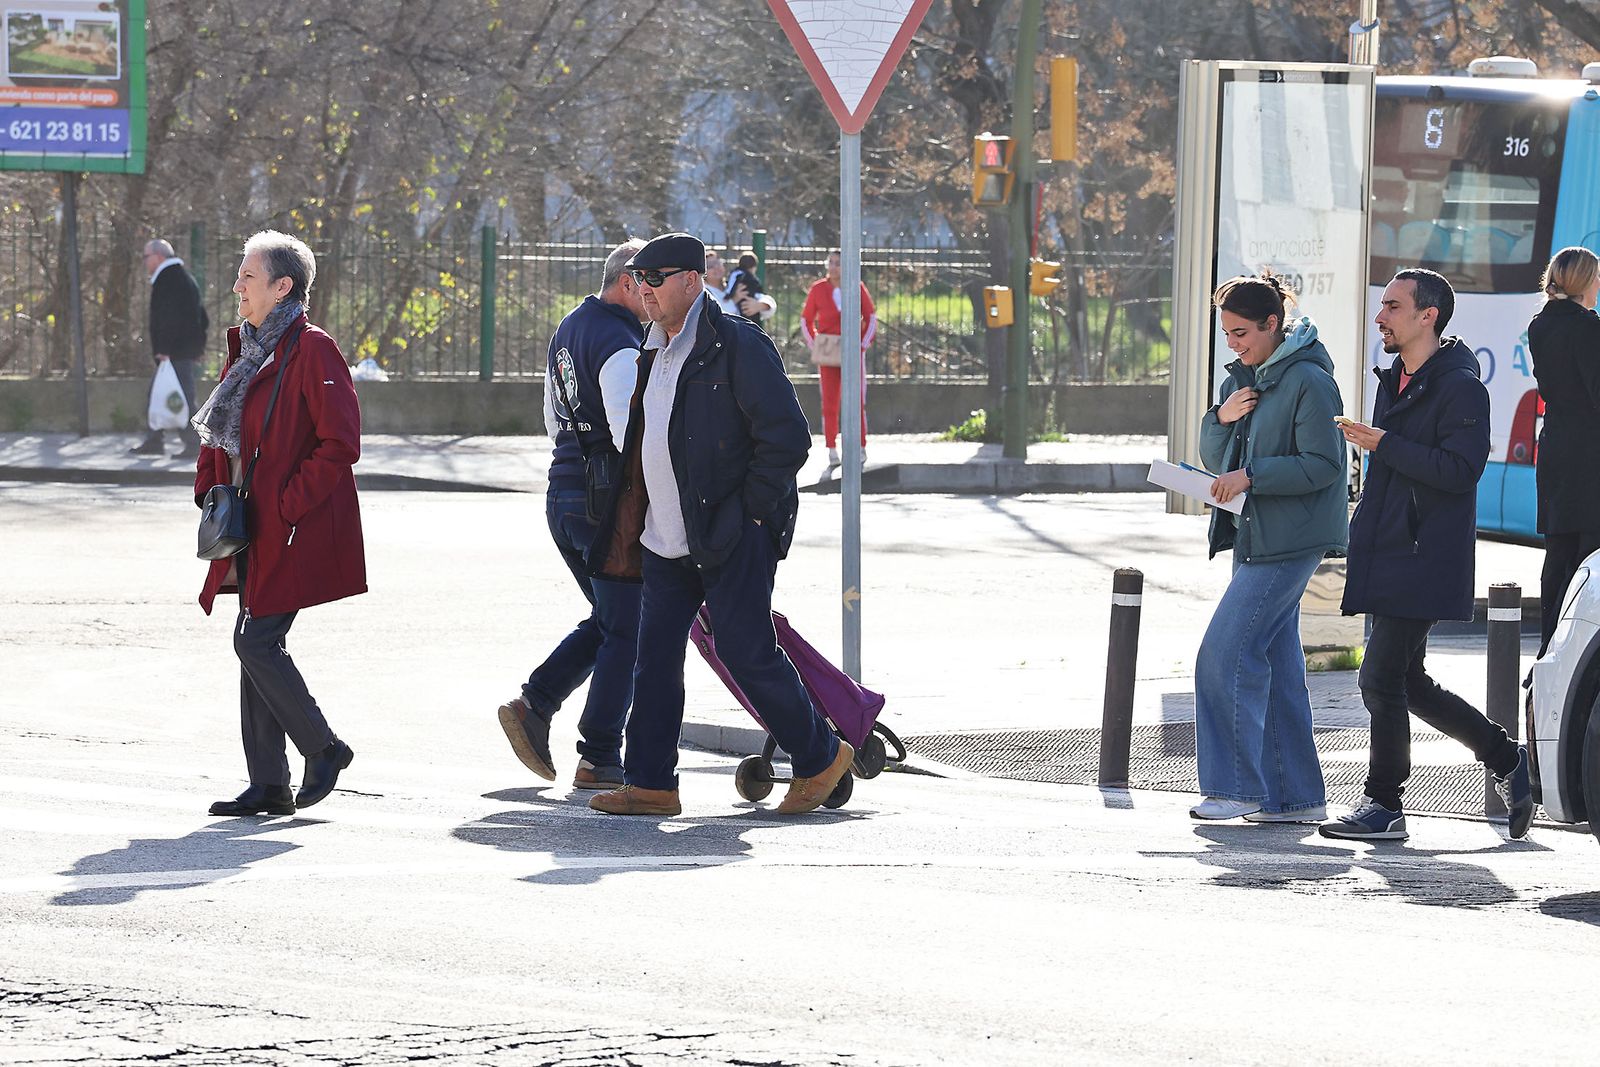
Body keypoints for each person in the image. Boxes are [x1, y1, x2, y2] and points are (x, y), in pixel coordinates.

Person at [585, 231, 853, 817]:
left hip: (731, 535)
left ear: (690, 281)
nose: (643, 291)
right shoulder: (650, 349)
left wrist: (747, 516)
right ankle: (652, 783)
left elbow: (786, 440)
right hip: (664, 538)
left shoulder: (739, 345)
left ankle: (820, 755)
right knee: (653, 658)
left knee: (745, 650)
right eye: (637, 281)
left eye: (654, 280)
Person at [1323, 268, 1533, 841]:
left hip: (1423, 555)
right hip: (1387, 548)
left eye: (1391, 306)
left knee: (1378, 681)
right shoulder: (1394, 378)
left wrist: (1384, 443)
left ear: (1427, 317)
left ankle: (1384, 806)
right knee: (1407, 682)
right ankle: (1509, 759)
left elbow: (1461, 471)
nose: (1379, 316)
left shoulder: (1461, 387)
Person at [191, 230, 364, 817]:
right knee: (254, 640)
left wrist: (288, 504)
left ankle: (323, 748)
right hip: (247, 520)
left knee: (256, 640)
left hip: (290, 524)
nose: (236, 285)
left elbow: (340, 443)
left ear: (281, 285)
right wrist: (207, 489)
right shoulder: (247, 347)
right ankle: (268, 784)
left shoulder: (313, 349)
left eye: (247, 275)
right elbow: (223, 432)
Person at [1189, 276, 1348, 823]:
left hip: (1290, 541)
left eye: (1240, 332)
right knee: (1278, 669)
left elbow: (1326, 465)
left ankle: (1234, 788)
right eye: (1227, 333)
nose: (1232, 343)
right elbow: (1218, 462)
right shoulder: (1247, 380)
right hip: (1255, 537)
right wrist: (1220, 419)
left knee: (1224, 655)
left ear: (1272, 325)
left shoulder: (1308, 380)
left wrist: (1253, 476)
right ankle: (1296, 799)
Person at [496, 239, 648, 791]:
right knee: (627, 628)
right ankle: (599, 754)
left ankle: (536, 704)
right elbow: (631, 433)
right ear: (628, 282)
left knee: (614, 619)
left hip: (563, 492)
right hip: (604, 502)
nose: (655, 297)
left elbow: (552, 418)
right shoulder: (622, 344)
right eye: (649, 283)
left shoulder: (570, 328)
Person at [1527, 246, 1600, 657]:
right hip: (1590, 457)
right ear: (1585, 282)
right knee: (1590, 557)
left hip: (1556, 449)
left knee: (1559, 555)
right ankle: (1575, 656)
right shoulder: (1588, 328)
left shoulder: (1541, 325)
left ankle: (1548, 650)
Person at [130, 238, 209, 458]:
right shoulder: (184, 277)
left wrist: (164, 348)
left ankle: (191, 443)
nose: (145, 261)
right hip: (183, 349)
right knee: (164, 394)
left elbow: (168, 318)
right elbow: (201, 316)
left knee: (183, 397)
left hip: (174, 351)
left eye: (146, 257)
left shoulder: (168, 279)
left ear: (159, 256)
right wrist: (199, 347)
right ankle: (155, 440)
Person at [800, 250, 875, 467]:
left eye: (838, 263)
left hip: (852, 350)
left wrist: (862, 344)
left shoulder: (856, 286)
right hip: (829, 351)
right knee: (830, 401)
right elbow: (806, 320)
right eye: (831, 262)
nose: (833, 267)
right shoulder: (818, 289)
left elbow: (871, 317)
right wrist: (817, 345)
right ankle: (832, 448)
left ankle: (860, 446)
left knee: (856, 400)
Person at [703, 248, 775, 321]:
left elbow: (768, 302)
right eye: (710, 266)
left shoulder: (733, 284)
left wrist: (760, 305)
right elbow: (719, 315)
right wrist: (734, 299)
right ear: (703, 271)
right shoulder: (705, 293)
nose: (716, 268)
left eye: (718, 263)